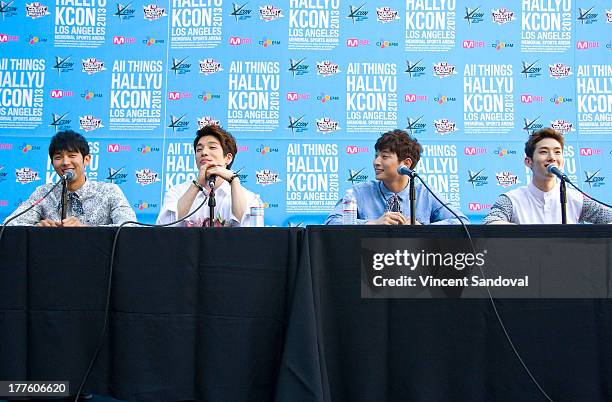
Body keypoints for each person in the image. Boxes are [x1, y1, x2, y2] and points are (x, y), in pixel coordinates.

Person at [324, 129, 468, 225]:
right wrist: (372, 224)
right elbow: (331, 221)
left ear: (406, 164)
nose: (376, 162)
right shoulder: (360, 192)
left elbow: (461, 221)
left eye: (384, 157)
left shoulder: (425, 193)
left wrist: (423, 228)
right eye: (376, 156)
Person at [3, 130, 136, 226]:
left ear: (87, 160)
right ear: (52, 163)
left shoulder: (109, 191)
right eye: (58, 157)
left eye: (72, 156)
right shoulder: (43, 193)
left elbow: (129, 228)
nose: (65, 162)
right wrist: (36, 230)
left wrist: (85, 230)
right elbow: (9, 225)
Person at [483, 127, 612, 224]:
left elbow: (608, 216)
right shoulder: (511, 199)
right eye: (544, 152)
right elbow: (490, 223)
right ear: (528, 161)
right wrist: (526, 235)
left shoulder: (576, 198)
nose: (552, 158)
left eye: (557, 152)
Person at [156, 125, 260, 227]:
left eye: (212, 147)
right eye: (199, 149)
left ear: (228, 158)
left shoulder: (249, 198)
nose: (204, 153)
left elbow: (250, 232)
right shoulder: (177, 192)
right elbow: (164, 229)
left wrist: (234, 181)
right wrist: (197, 185)